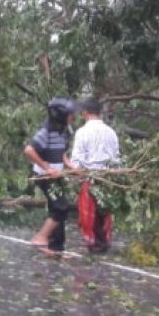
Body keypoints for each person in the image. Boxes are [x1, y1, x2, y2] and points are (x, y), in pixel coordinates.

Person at [25, 97, 77, 253]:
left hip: (57, 175)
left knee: (58, 208)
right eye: (70, 114)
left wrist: (72, 166)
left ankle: (56, 246)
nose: (72, 117)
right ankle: (40, 238)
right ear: (60, 115)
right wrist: (47, 168)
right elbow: (29, 150)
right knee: (61, 207)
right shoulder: (45, 131)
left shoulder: (64, 131)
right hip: (44, 177)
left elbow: (62, 154)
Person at [72, 96, 121, 253]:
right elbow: (116, 158)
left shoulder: (82, 132)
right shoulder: (111, 132)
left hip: (89, 177)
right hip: (107, 177)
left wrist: (73, 172)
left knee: (89, 211)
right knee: (104, 210)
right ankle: (104, 241)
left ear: (85, 113)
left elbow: (77, 160)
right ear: (99, 113)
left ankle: (92, 242)